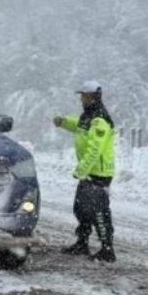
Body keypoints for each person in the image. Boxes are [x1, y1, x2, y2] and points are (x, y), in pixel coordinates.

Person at [53, 81, 117, 262]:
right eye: (81, 95)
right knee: (81, 208)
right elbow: (80, 127)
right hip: (88, 172)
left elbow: (95, 150)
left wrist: (81, 170)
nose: (81, 99)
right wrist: (64, 122)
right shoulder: (88, 116)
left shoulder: (100, 119)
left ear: (94, 97)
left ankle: (107, 249)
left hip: (99, 174)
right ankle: (82, 242)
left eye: (84, 96)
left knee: (99, 212)